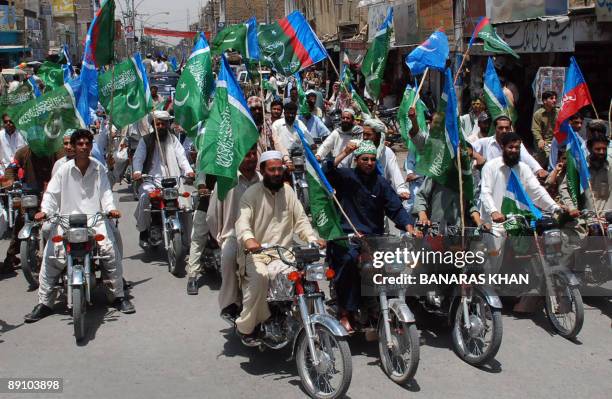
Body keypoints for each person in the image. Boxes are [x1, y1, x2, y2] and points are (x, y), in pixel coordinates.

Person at [24, 129, 134, 322]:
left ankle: (117, 296)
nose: (84, 147)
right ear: (73, 147)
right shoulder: (63, 170)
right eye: (80, 144)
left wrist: (110, 208)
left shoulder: (99, 168)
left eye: (87, 144)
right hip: (66, 219)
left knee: (110, 252)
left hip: (94, 218)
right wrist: (45, 211)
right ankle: (44, 303)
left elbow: (106, 193)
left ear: (91, 146)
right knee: (52, 256)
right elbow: (51, 195)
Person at [324, 140, 415, 331]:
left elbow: (395, 207)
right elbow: (327, 172)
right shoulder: (346, 177)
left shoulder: (381, 182)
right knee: (349, 261)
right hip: (349, 237)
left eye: (373, 159)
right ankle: (346, 311)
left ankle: (385, 308)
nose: (369, 162)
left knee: (394, 265)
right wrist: (344, 151)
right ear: (357, 160)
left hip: (374, 239)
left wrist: (409, 226)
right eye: (365, 159)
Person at [234, 151, 323, 344]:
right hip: (257, 254)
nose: (276, 173)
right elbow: (242, 222)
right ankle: (247, 327)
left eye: (279, 169)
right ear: (263, 171)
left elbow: (301, 220)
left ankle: (301, 322)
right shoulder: (251, 194)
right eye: (271, 169)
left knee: (305, 279)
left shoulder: (288, 191)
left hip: (284, 253)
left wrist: (311, 238)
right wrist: (249, 239)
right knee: (260, 279)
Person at [479, 132, 562, 274]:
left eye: (517, 148)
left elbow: (536, 191)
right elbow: (485, 192)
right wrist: (493, 211)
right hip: (496, 222)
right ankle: (488, 288)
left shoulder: (523, 168)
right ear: (502, 147)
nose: (514, 151)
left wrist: (555, 207)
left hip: (519, 220)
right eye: (510, 147)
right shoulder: (491, 166)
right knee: (494, 258)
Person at [207, 146, 260, 319]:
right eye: (247, 154)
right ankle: (229, 303)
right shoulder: (226, 181)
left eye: (254, 154)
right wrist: (221, 237)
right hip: (233, 236)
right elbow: (212, 215)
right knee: (229, 258)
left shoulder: (263, 180)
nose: (252, 158)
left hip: (260, 237)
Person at [132, 111, 195, 247]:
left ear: (167, 124)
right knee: (144, 197)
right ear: (153, 125)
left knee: (184, 205)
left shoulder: (173, 139)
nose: (160, 126)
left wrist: (189, 171)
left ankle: (186, 237)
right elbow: (138, 158)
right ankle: (143, 231)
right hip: (151, 180)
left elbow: (182, 158)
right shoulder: (146, 140)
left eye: (162, 123)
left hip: (172, 180)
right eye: (157, 123)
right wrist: (137, 172)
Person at [336, 118, 409, 200]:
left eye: (368, 134)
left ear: (378, 136)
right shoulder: (355, 147)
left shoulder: (387, 152)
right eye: (364, 134)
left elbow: (395, 173)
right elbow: (341, 167)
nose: (365, 138)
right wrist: (345, 152)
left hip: (378, 193)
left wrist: (402, 189)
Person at [471, 116, 548, 178]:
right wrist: (477, 156)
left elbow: (526, 157)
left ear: (510, 128)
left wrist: (538, 169)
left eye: (507, 128)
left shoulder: (516, 144)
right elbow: (466, 147)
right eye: (501, 128)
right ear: (495, 128)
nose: (504, 131)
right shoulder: (485, 142)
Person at [532, 90, 558, 167]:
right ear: (544, 101)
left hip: (556, 141)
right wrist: (540, 139)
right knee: (546, 157)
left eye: (555, 98)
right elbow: (535, 129)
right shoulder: (538, 114)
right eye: (552, 98)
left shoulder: (558, 112)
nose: (554, 100)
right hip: (544, 142)